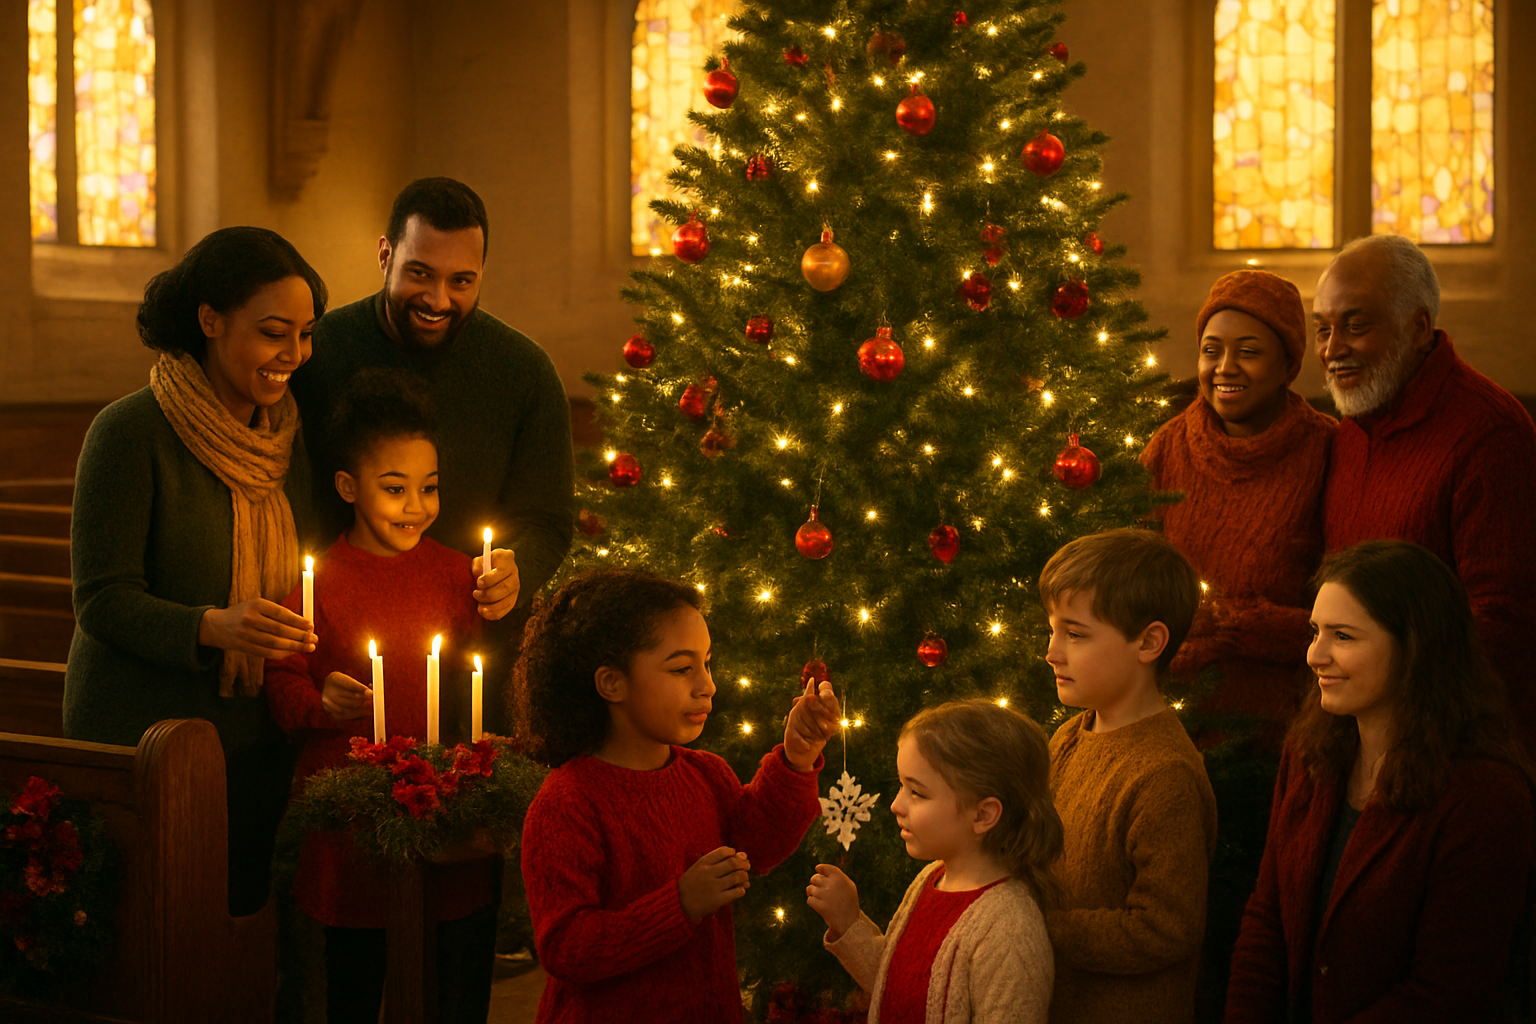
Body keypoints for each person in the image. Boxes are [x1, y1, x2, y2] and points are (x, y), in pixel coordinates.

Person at [64, 226, 326, 915]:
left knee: (237, 935)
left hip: (254, 733)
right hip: (146, 732)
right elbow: (102, 599)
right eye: (275, 332)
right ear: (210, 320)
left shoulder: (286, 438)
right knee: (160, 938)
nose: (293, 355)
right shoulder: (130, 432)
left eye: (305, 334)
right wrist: (213, 626)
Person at [291, 176, 575, 736]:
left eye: (461, 281)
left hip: (473, 663)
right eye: (420, 273)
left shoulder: (524, 371)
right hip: (338, 660)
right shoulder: (317, 353)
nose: (438, 300)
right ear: (385, 255)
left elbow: (547, 518)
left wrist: (518, 570)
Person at [263, 370, 496, 1024]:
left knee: (446, 981)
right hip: (351, 823)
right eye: (395, 489)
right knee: (352, 988)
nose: (416, 506)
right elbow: (281, 682)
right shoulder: (320, 582)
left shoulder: (456, 575)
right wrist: (319, 701)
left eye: (430, 488)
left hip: (443, 811)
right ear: (348, 487)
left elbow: (482, 681)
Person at [1224, 540, 1534, 1022]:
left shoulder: (1484, 795)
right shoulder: (1309, 754)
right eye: (1315, 632)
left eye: (1343, 637)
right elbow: (1267, 921)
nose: (1314, 655)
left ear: (1415, 647)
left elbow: (1447, 992)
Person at [514, 569, 841, 1024]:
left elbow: (759, 845)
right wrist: (680, 904)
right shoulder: (567, 803)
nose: (706, 685)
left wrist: (797, 758)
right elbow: (568, 947)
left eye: (707, 663)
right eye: (682, 668)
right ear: (612, 683)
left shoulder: (704, 774)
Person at [1314, 234, 1536, 752]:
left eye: (1355, 324)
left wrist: (1408, 729)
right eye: (1322, 329)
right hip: (1360, 732)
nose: (1331, 349)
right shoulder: (1350, 430)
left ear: (1418, 328)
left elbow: (1503, 625)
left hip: (1449, 745)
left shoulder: (1490, 434)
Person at [1143, 270, 1335, 734]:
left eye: (1248, 352)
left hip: (1288, 723)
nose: (1224, 367)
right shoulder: (1168, 447)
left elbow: (1352, 614)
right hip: (1172, 716)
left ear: (1288, 366)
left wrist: (1244, 627)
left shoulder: (1328, 451)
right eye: (1211, 351)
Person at [1038, 528, 1218, 1024]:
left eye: (1074, 634)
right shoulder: (1069, 737)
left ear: (1149, 642)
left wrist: (1043, 928)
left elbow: (1165, 927)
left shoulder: (1165, 775)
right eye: (1052, 630)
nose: (1052, 651)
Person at [807, 699, 1062, 1023]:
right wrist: (848, 922)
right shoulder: (930, 879)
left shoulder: (1009, 930)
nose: (896, 805)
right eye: (902, 785)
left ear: (983, 814)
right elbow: (896, 987)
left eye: (918, 793)